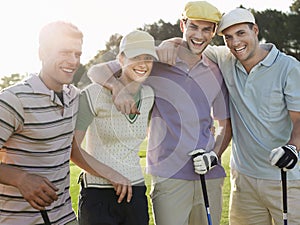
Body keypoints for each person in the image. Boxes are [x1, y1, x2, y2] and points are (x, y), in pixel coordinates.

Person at [87, 1, 232, 225]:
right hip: (169, 177)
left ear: (214, 32)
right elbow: (96, 70)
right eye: (194, 27)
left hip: (209, 177)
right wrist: (117, 89)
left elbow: (224, 124)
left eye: (207, 29)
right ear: (182, 25)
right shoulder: (157, 61)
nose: (199, 35)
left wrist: (213, 155)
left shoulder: (216, 70)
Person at [159, 7, 300, 225]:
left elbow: (298, 119)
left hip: (286, 180)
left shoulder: (288, 67)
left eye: (241, 34)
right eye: (228, 37)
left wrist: (293, 146)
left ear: (255, 30)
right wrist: (171, 42)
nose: (235, 43)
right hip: (243, 181)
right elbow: (194, 43)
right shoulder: (225, 59)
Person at [0, 20, 131, 225]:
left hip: (65, 217)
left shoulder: (74, 97)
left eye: (77, 54)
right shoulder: (13, 100)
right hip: (18, 220)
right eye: (64, 52)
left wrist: (113, 175)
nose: (73, 61)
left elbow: (71, 148)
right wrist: (21, 178)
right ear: (42, 53)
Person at [73, 30, 158, 225]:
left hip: (135, 192)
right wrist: (113, 175)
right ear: (121, 59)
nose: (143, 64)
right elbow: (73, 149)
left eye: (148, 58)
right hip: (97, 195)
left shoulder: (149, 95)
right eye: (135, 57)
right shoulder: (92, 94)